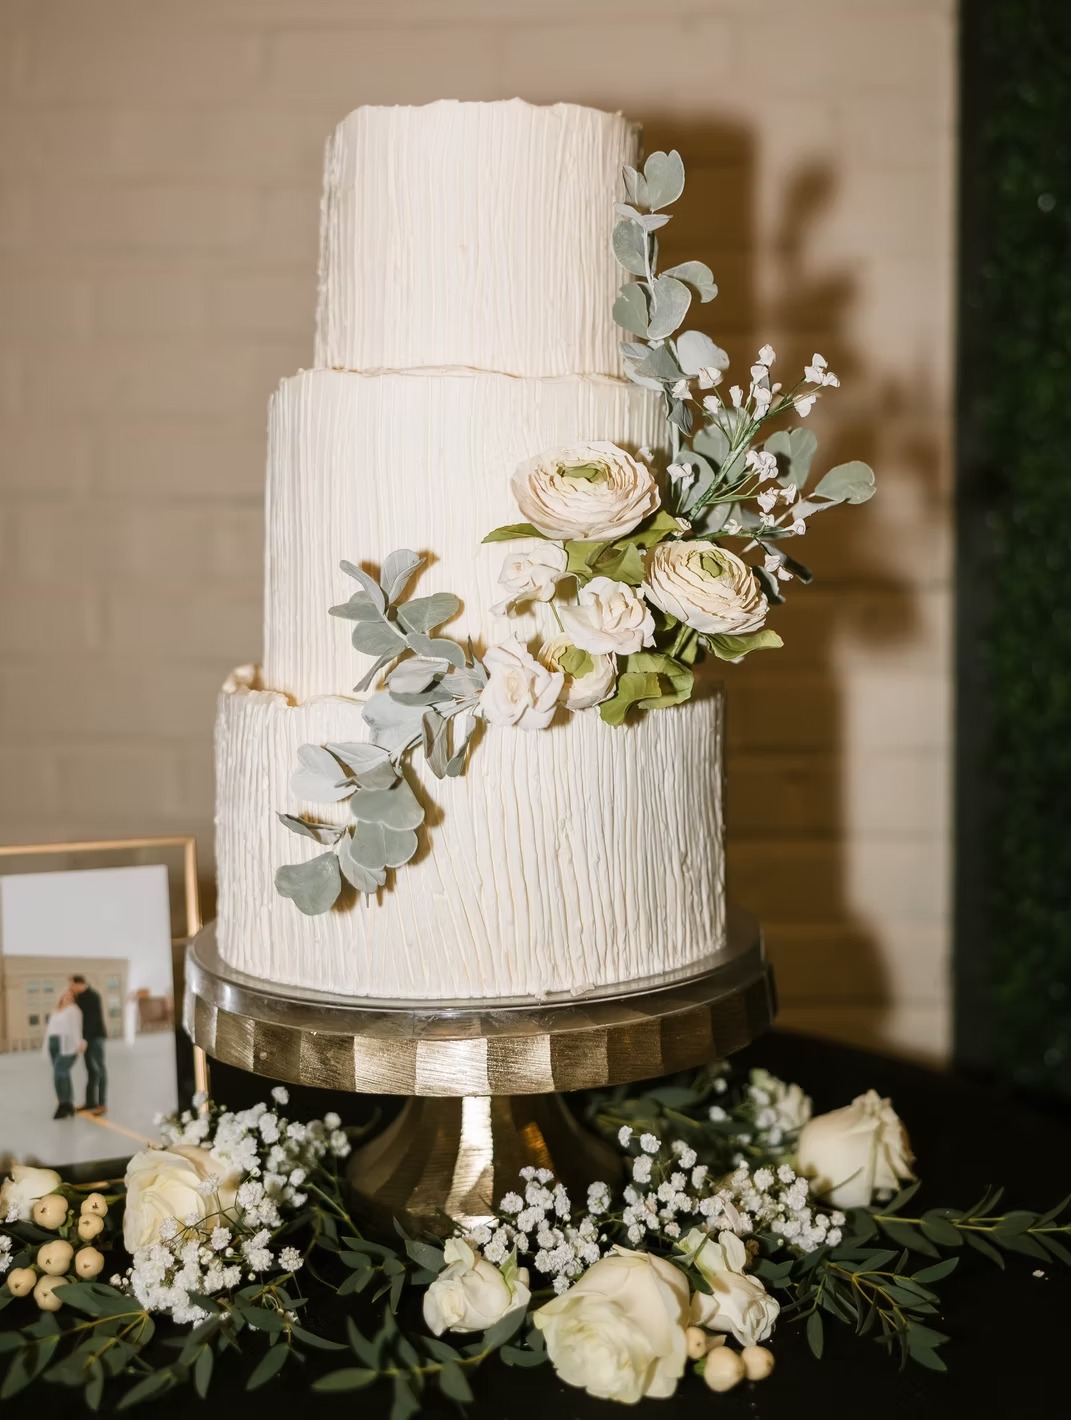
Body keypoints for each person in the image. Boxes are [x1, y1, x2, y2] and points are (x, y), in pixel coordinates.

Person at [69, 974, 107, 1116]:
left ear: (79, 984)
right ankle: (90, 1102)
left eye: (72, 985)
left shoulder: (93, 996)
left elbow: (93, 1020)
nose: (70, 988)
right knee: (90, 1070)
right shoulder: (78, 998)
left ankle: (102, 1104)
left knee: (100, 1070)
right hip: (85, 1039)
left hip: (96, 1038)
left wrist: (85, 1039)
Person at [44, 989, 85, 1120]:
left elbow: (76, 1028)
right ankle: (69, 1104)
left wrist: (79, 1042)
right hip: (53, 1044)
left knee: (59, 1074)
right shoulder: (56, 1011)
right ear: (61, 997)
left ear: (74, 999)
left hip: (67, 1044)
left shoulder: (74, 1010)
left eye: (71, 997)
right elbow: (50, 1030)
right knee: (63, 1074)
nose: (68, 998)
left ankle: (63, 1104)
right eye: (66, 995)